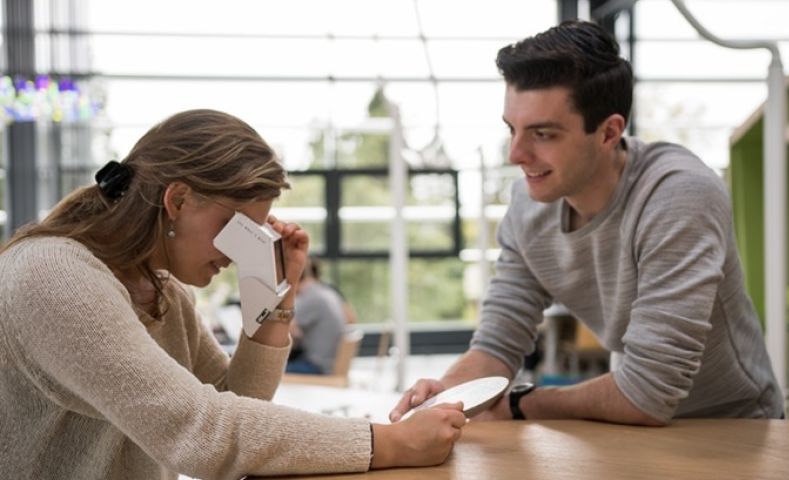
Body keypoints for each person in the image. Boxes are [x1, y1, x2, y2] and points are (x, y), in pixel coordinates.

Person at [0, 109, 466, 479]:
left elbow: (234, 398)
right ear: (178, 201)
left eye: (254, 232)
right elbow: (202, 434)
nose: (243, 249)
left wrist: (279, 293)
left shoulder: (162, 291)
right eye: (235, 226)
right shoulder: (52, 274)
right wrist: (386, 443)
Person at [390, 20, 784, 426]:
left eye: (542, 134)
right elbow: (496, 344)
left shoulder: (679, 195)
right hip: (628, 430)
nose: (515, 154)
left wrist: (521, 402)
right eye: (512, 129)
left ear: (609, 131)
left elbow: (648, 394)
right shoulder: (528, 205)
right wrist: (447, 397)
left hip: (734, 428)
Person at [287, 257, 348, 374]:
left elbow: (286, 328)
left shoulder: (311, 297)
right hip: (329, 362)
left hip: (317, 366)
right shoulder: (328, 292)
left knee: (268, 371)